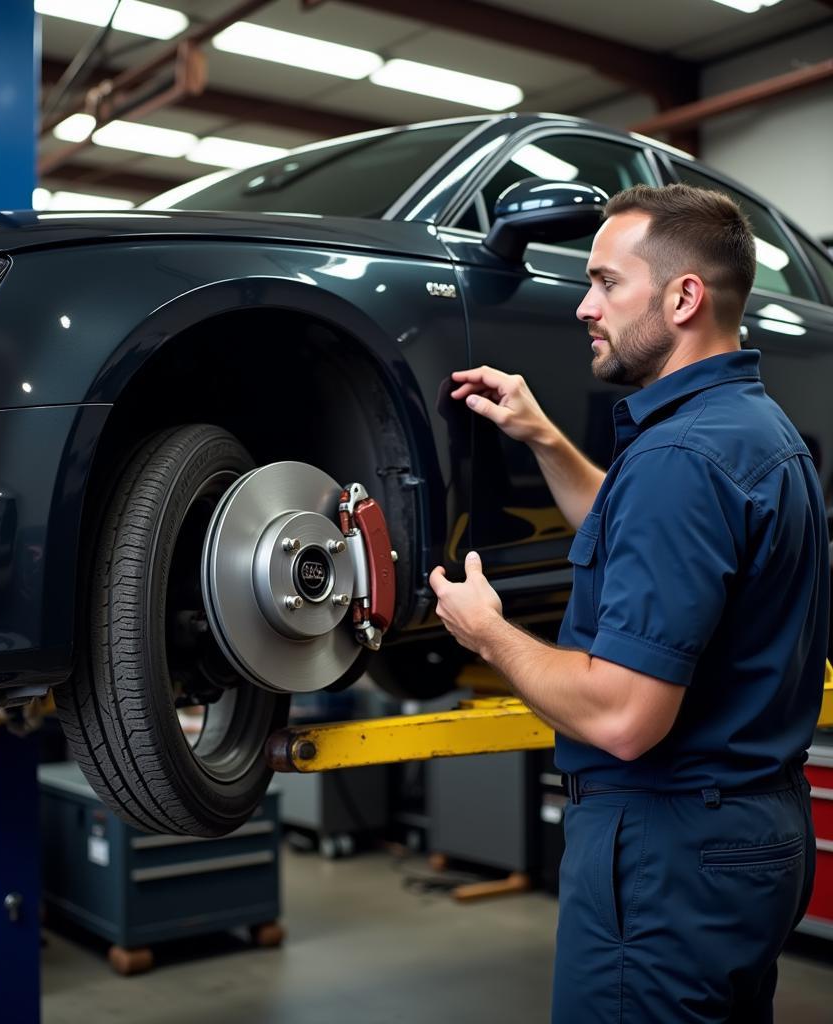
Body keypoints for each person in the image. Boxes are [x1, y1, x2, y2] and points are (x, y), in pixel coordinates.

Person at [428, 183, 829, 1023]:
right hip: (749, 836)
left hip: (667, 850)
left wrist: (490, 633)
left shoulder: (681, 458)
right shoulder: (753, 432)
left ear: (685, 297)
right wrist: (543, 435)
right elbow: (654, 538)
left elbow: (623, 716)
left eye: (607, 282)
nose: (583, 306)